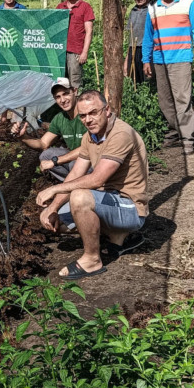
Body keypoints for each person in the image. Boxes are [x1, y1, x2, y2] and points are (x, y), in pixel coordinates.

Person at [36, 90, 149, 279]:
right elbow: (75, 174)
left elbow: (97, 179)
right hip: (109, 201)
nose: (88, 120)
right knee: (57, 221)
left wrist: (54, 188)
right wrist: (54, 207)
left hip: (130, 208)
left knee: (79, 197)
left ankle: (92, 260)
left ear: (107, 110)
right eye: (83, 116)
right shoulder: (90, 136)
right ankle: (118, 237)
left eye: (93, 113)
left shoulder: (120, 134)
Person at [141, 0, 194, 155]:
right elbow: (148, 37)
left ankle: (187, 139)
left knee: (182, 98)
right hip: (160, 59)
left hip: (181, 58)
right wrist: (147, 60)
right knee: (165, 100)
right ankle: (174, 131)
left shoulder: (188, 3)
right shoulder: (153, 7)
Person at [12, 79, 86, 181]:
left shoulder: (86, 115)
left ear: (75, 91)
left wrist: (56, 161)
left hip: (93, 160)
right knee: (46, 155)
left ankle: (76, 186)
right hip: (76, 159)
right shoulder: (60, 118)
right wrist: (23, 137)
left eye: (66, 94)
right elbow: (43, 143)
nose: (63, 100)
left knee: (75, 164)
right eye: (58, 97)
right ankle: (71, 183)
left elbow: (89, 148)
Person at [55, 0, 95, 90]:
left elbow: (89, 31)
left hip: (75, 51)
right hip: (60, 51)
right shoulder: (60, 7)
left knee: (74, 83)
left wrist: (84, 52)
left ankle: (76, 106)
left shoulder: (85, 7)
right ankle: (63, 106)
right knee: (61, 82)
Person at [123, 0, 154, 84]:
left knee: (148, 78)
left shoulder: (152, 9)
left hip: (147, 49)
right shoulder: (133, 10)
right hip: (133, 49)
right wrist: (127, 58)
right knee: (133, 79)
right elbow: (131, 35)